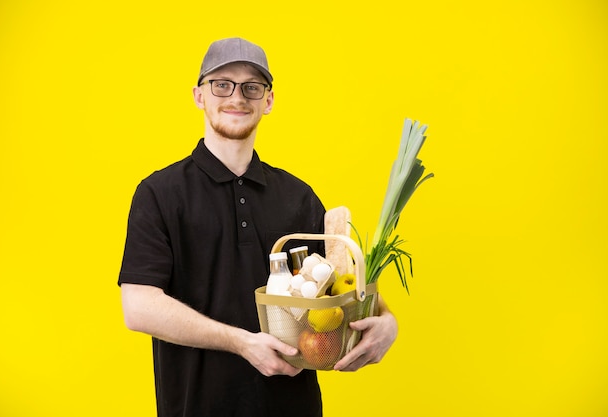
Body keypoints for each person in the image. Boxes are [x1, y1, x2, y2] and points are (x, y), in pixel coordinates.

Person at [118, 37, 398, 417]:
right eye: (222, 84)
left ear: (268, 101)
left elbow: (345, 285)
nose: (237, 97)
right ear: (199, 95)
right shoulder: (160, 194)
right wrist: (243, 343)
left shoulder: (298, 196)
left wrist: (388, 323)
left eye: (252, 86)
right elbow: (139, 307)